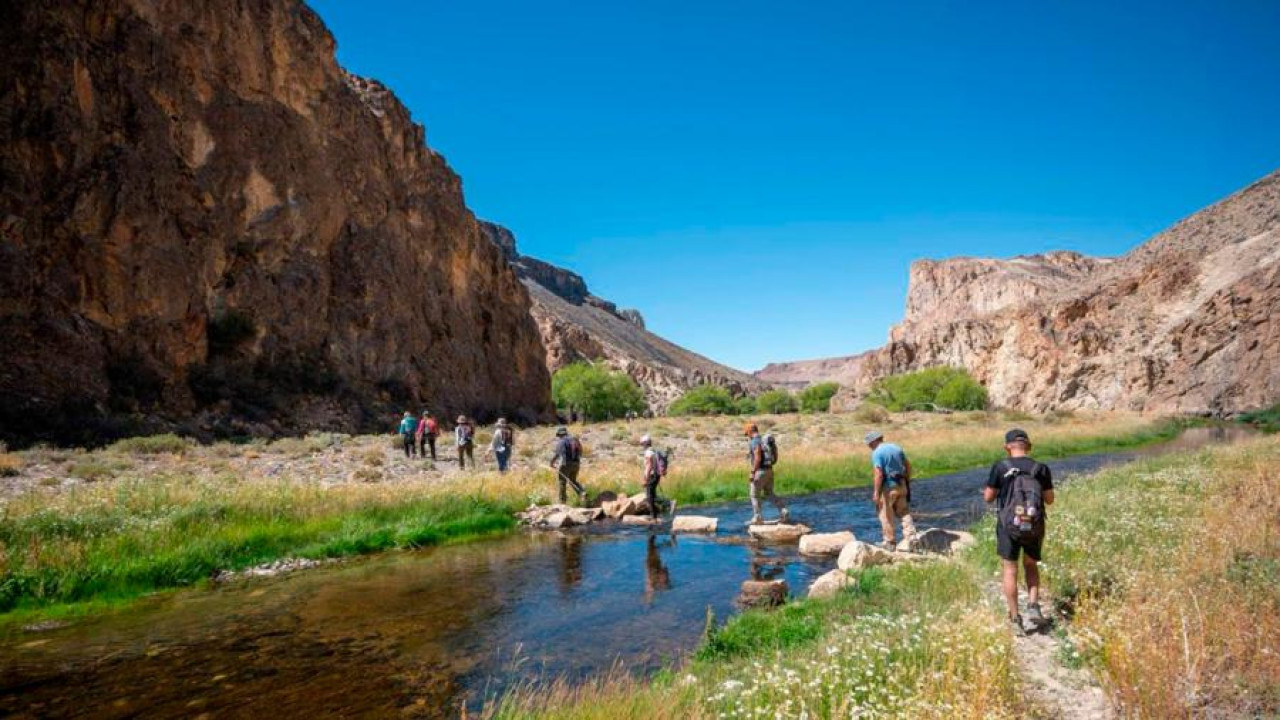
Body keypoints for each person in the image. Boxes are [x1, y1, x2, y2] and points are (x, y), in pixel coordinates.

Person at [985, 428, 1055, 633]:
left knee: (1010, 569)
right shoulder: (1041, 468)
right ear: (1029, 446)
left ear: (1007, 447)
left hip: (1008, 526)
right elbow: (1049, 500)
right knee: (1031, 565)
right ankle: (1033, 606)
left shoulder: (1000, 467)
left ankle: (1015, 618)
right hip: (1034, 524)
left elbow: (988, 498)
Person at [865, 430, 917, 549]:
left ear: (873, 442)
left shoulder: (877, 453)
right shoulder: (896, 447)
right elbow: (908, 466)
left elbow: (878, 474)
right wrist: (907, 481)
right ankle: (912, 538)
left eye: (869, 444)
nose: (869, 447)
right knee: (904, 512)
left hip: (888, 487)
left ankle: (889, 542)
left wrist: (876, 493)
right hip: (902, 484)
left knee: (885, 515)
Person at [745, 423, 788, 525]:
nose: (747, 436)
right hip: (769, 470)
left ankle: (757, 518)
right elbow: (775, 455)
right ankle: (783, 510)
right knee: (769, 493)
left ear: (750, 431)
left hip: (759, 471)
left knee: (754, 495)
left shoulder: (755, 441)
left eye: (747, 434)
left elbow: (758, 457)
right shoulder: (765, 441)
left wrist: (752, 472)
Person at [550, 426, 587, 504]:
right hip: (576, 463)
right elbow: (581, 451)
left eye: (559, 436)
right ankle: (582, 492)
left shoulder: (562, 441)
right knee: (573, 480)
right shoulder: (575, 440)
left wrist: (552, 463)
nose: (559, 437)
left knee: (562, 482)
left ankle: (562, 502)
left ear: (560, 434)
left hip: (566, 464)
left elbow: (557, 454)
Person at [640, 435, 667, 520]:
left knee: (649, 497)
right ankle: (656, 514)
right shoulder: (654, 450)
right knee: (653, 495)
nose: (641, 446)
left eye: (642, 444)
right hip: (657, 475)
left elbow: (649, 466)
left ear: (645, 443)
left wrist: (645, 479)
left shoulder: (648, 452)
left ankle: (653, 517)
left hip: (652, 475)